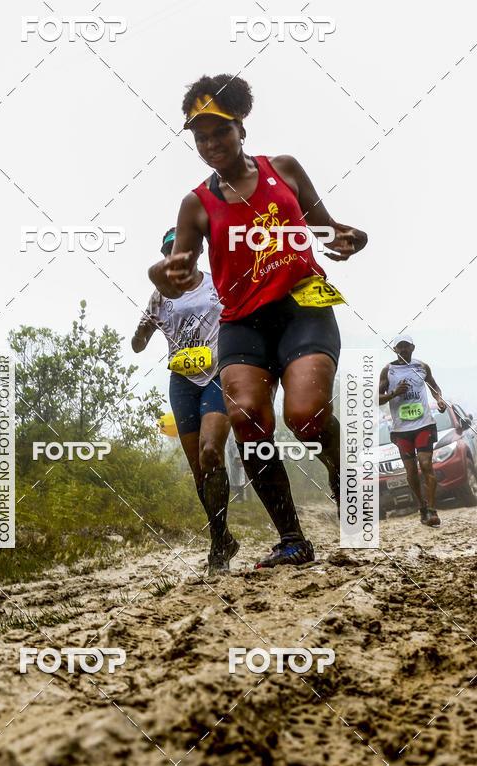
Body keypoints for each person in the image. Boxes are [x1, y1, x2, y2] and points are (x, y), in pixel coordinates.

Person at [148, 74, 368, 568]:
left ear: (240, 126)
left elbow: (331, 229)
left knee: (305, 415)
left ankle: (341, 473)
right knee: (247, 417)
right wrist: (164, 273)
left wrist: (352, 239)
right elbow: (174, 273)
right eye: (200, 137)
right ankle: (292, 538)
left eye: (218, 132)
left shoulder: (284, 170)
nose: (210, 144)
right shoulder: (196, 204)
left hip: (302, 308)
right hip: (243, 322)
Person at [132, 227, 238, 574]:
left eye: (182, 249)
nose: (174, 256)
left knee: (211, 451)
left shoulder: (216, 283)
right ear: (164, 258)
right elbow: (139, 341)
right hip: (181, 381)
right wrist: (141, 333)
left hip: (217, 375)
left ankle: (217, 551)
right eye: (168, 251)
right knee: (198, 473)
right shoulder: (159, 297)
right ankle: (222, 538)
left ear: (196, 252)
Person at [379, 333, 447, 526]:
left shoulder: (422, 367)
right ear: (394, 349)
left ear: (413, 348)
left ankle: (432, 511)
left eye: (406, 346)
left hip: (424, 424)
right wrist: (394, 392)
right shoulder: (388, 371)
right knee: (411, 471)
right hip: (401, 429)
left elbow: (434, 387)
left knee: (426, 464)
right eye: (399, 347)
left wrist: (439, 399)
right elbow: (377, 398)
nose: (403, 350)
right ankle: (422, 506)